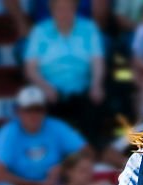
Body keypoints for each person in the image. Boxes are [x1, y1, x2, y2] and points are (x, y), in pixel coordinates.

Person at [0, 86, 87, 185]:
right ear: (18, 111)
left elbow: (86, 152)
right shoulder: (7, 133)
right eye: (28, 110)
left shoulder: (56, 127)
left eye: (38, 109)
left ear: (45, 111)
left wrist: (62, 166)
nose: (33, 114)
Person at [24, 0, 106, 147]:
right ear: (52, 11)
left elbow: (97, 61)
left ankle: (92, 150)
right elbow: (30, 69)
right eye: (60, 9)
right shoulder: (40, 31)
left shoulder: (89, 28)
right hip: (50, 90)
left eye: (69, 8)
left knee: (97, 102)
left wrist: (96, 84)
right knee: (39, 107)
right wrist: (45, 87)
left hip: (82, 88)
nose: (64, 13)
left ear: (75, 10)